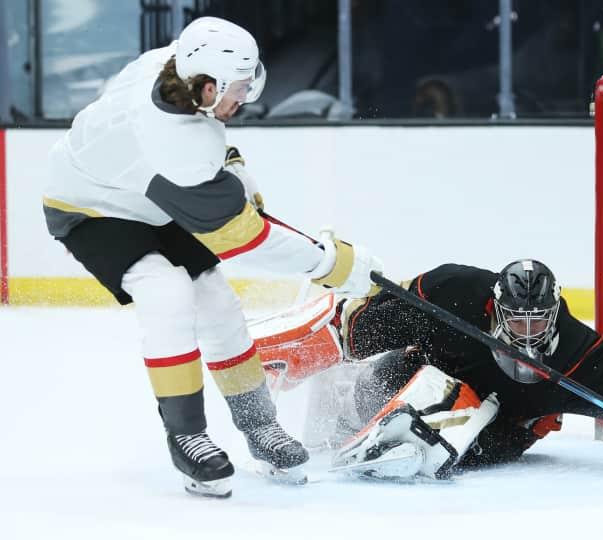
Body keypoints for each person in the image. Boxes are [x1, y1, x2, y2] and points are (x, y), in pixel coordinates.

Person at [42, 16, 379, 498]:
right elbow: (246, 240)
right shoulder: (175, 147)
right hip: (88, 207)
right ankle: (187, 437)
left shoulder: (168, 64)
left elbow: (204, 142)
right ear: (205, 86)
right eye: (239, 88)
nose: (247, 97)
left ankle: (260, 426)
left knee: (217, 303)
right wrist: (332, 265)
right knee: (167, 294)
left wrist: (232, 165)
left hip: (146, 196)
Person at [290, 260, 603, 481]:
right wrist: (336, 336)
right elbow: (380, 316)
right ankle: (355, 418)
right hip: (414, 377)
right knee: (427, 386)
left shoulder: (576, 350)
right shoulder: (457, 291)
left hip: (502, 428)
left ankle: (412, 442)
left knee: (462, 415)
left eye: (537, 320)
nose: (527, 330)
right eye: (517, 319)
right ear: (497, 309)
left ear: (553, 312)